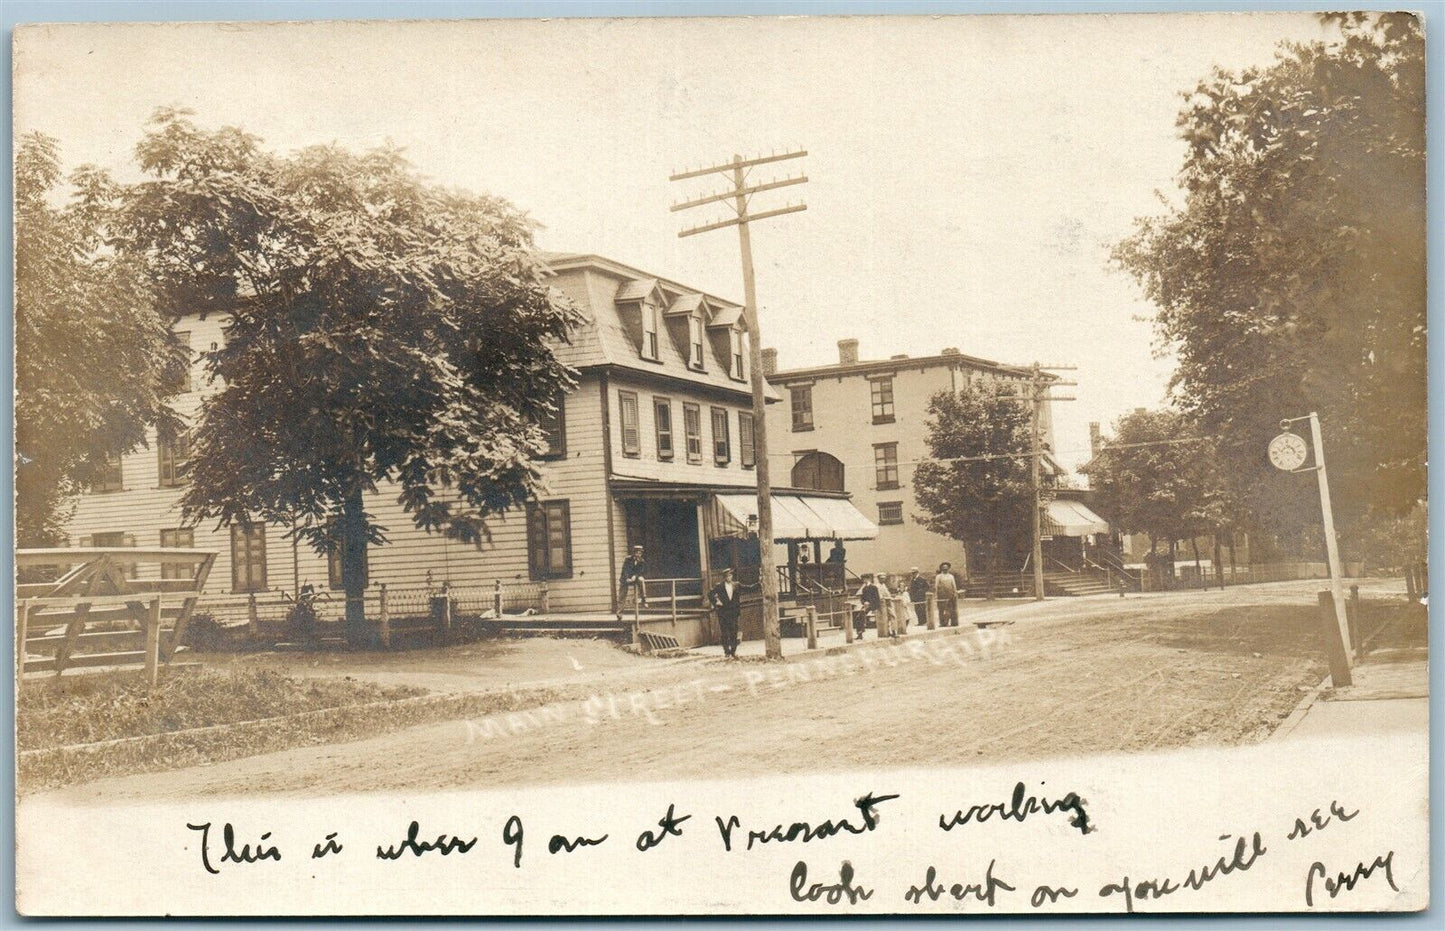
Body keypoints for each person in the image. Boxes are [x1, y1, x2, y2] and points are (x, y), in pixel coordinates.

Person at [708, 568, 754, 659]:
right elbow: (710, 594)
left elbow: (748, 588)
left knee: (733, 632)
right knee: (725, 633)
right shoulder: (719, 586)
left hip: (733, 612)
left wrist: (759, 584)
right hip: (723, 613)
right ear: (724, 577)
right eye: (727, 576)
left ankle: (733, 651)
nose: (729, 577)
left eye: (730, 575)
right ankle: (726, 652)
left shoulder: (736, 585)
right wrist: (716, 602)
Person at [617, 545, 647, 621]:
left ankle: (644, 599)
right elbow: (625, 570)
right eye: (637, 553)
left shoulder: (642, 561)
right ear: (634, 553)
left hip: (634, 578)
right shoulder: (628, 559)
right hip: (625, 578)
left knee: (641, 580)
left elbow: (641, 571)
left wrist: (635, 576)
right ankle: (619, 614)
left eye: (640, 553)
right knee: (622, 596)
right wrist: (627, 578)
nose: (638, 555)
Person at [854, 573, 881, 639]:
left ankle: (860, 632)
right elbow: (862, 598)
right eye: (863, 579)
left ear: (868, 579)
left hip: (873, 605)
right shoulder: (864, 589)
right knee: (858, 617)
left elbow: (877, 598)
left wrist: (873, 607)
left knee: (861, 615)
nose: (864, 581)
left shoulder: (874, 587)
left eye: (865, 579)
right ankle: (860, 633)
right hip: (866, 606)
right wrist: (864, 602)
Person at [934, 561, 960, 627]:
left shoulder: (951, 576)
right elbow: (936, 586)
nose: (945, 569)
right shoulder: (939, 576)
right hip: (941, 596)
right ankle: (943, 623)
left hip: (950, 595)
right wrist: (936, 595)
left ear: (948, 568)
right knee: (942, 610)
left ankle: (953, 622)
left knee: (951, 609)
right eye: (943, 568)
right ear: (941, 569)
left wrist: (955, 593)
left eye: (946, 568)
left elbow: (954, 585)